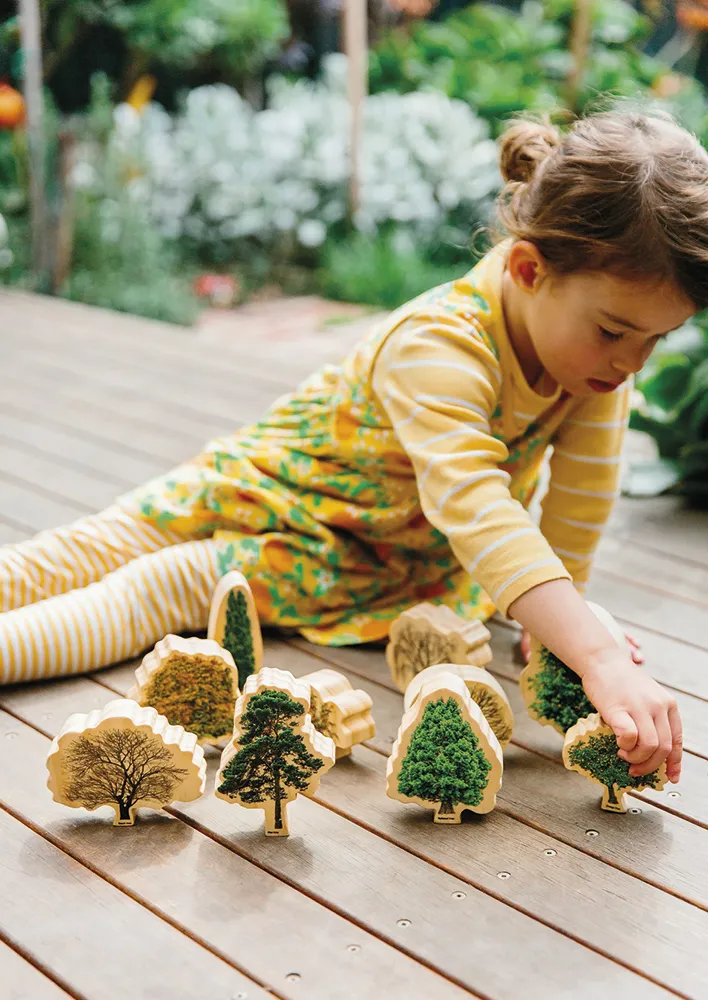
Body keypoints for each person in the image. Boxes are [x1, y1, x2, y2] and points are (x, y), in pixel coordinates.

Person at [2, 110, 703, 785]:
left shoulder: (592, 363)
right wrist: (601, 654)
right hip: (266, 487)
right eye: (616, 331)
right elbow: (478, 508)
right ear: (526, 269)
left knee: (166, 587)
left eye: (656, 338)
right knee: (92, 551)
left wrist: (562, 626)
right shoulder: (440, 343)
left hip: (356, 562)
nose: (632, 362)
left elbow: (580, 501)